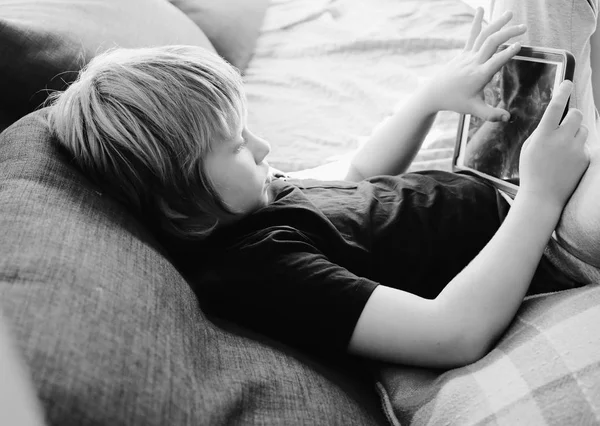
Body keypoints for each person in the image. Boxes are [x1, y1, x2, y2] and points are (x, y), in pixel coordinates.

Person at [46, 9, 590, 369]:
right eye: (235, 145)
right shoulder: (259, 270)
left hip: (496, 179)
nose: (262, 147)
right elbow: (452, 332)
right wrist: (541, 195)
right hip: (549, 242)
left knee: (521, 13)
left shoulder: (243, 202)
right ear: (177, 206)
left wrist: (430, 97)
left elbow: (355, 177)